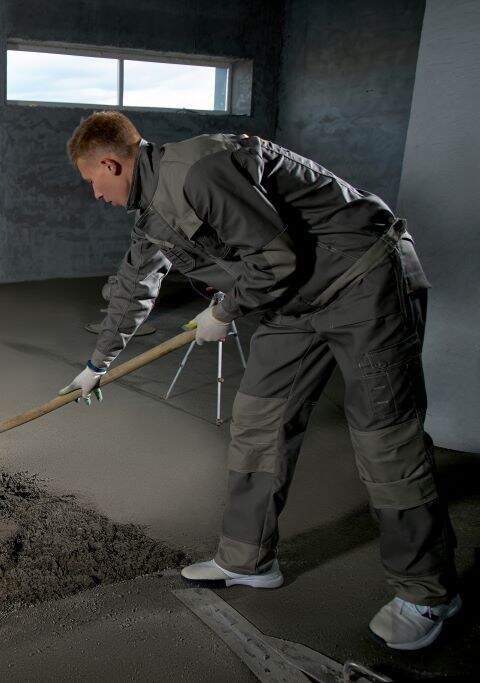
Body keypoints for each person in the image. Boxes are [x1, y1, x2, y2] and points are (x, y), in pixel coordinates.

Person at [58, 111, 459, 650]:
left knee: (386, 441)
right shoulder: (153, 211)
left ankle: (427, 593)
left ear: (111, 163)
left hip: (361, 279)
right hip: (293, 304)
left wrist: (226, 310)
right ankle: (247, 559)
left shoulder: (199, 170)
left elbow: (276, 257)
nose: (94, 193)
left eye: (92, 182)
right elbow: (134, 285)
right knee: (258, 424)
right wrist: (96, 365)